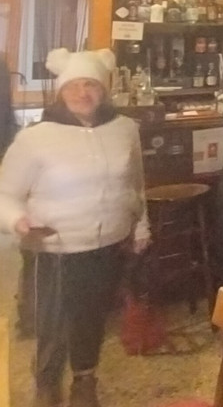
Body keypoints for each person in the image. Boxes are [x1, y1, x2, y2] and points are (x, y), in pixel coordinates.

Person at [0, 48, 150, 407]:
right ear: (61, 91)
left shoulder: (125, 130)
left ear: (104, 90)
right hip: (54, 248)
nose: (83, 93)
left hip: (106, 244)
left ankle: (85, 380)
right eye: (74, 85)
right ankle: (47, 383)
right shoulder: (36, 138)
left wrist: (141, 224)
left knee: (91, 318)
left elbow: (136, 183)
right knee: (52, 323)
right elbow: (5, 194)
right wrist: (18, 220)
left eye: (91, 85)